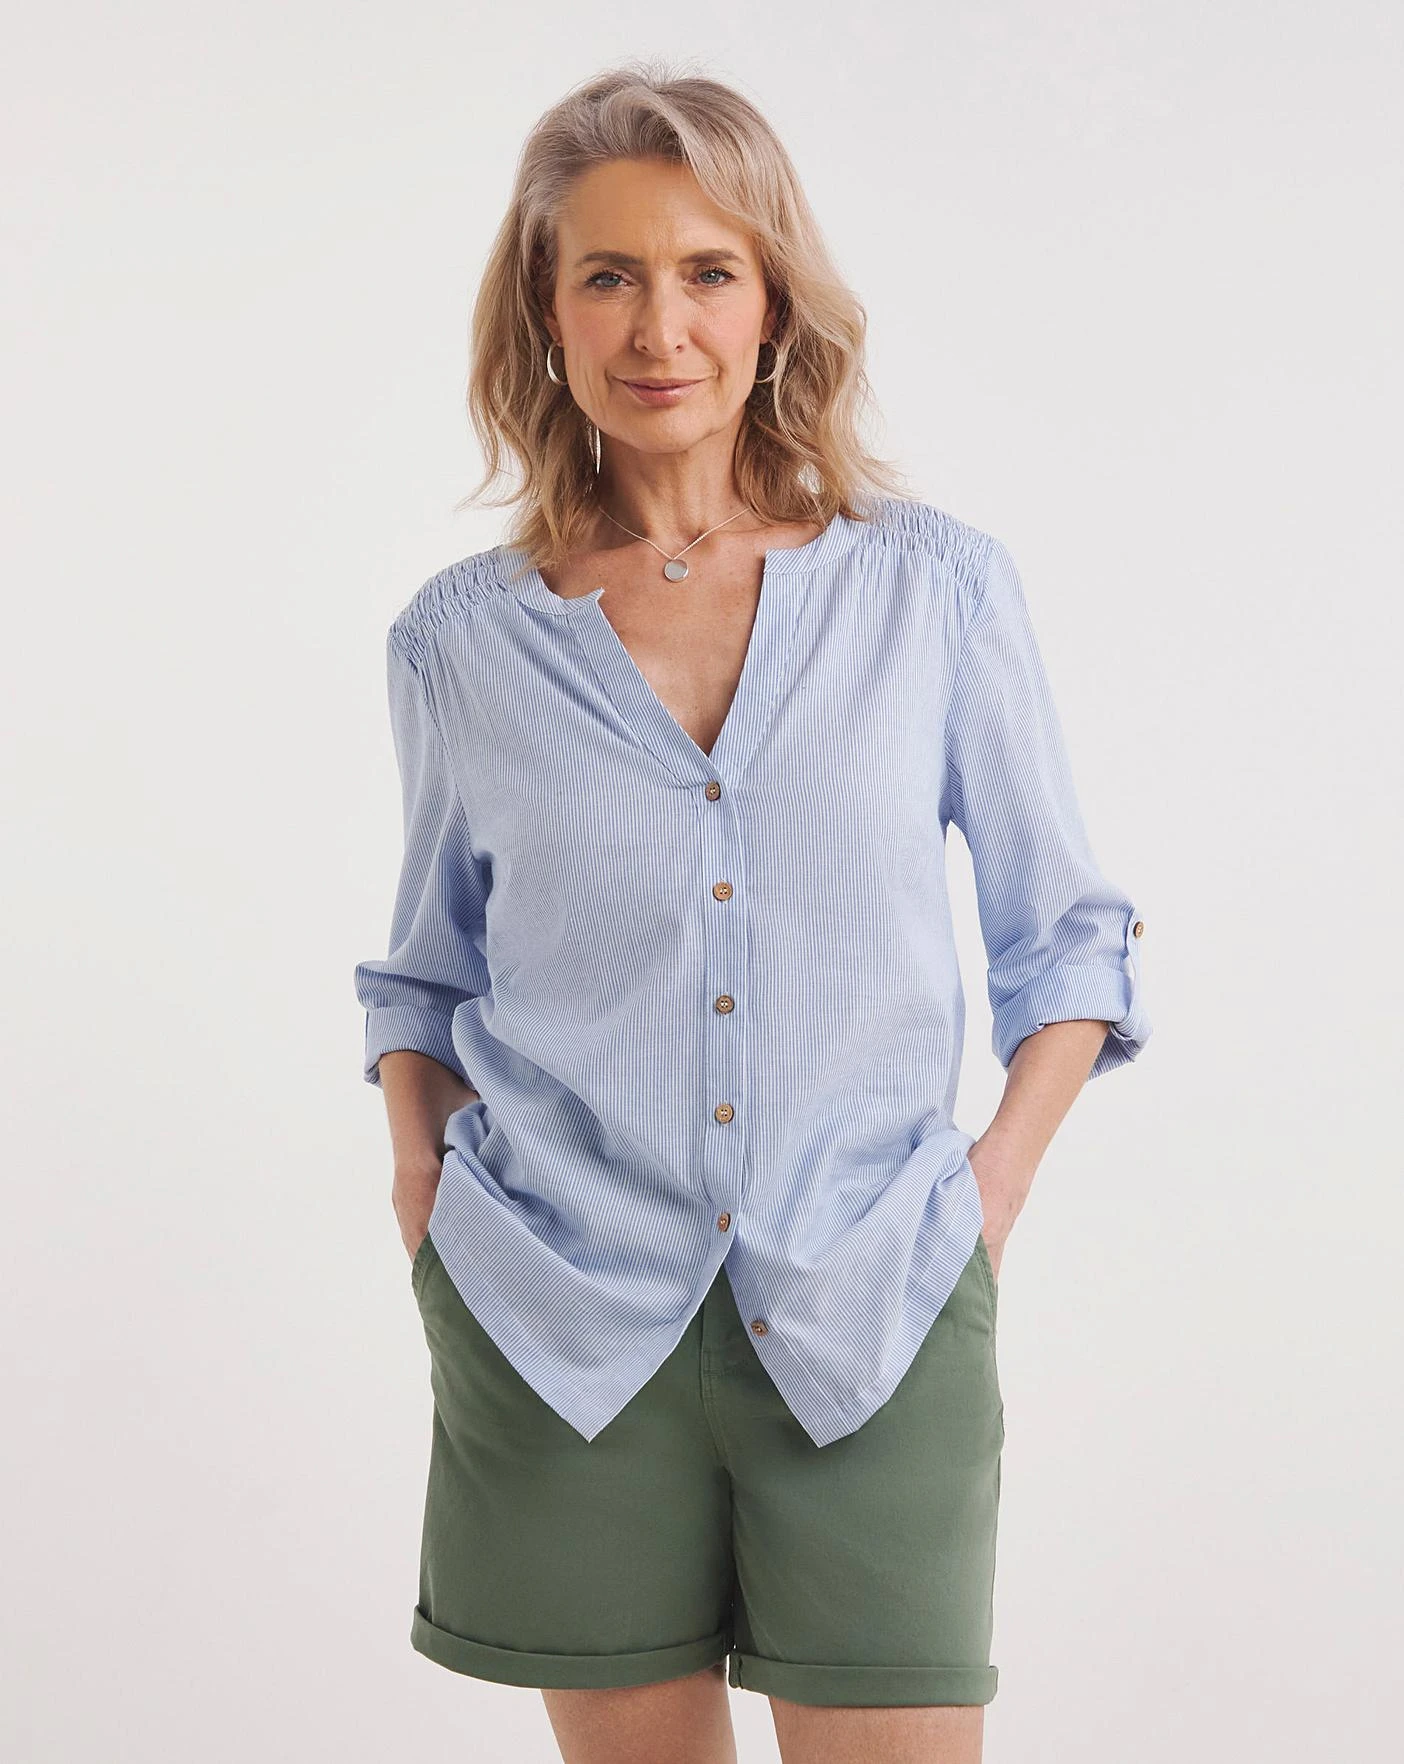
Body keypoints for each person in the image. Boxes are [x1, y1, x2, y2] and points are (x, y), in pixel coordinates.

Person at [352, 60, 1151, 1764]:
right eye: (609, 276)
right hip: (562, 1318)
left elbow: (1067, 939)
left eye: (708, 271)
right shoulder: (460, 646)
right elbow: (424, 970)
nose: (662, 328)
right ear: (547, 313)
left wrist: (987, 1192)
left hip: (876, 1297)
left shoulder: (932, 594)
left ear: (774, 303)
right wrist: (422, 1185)